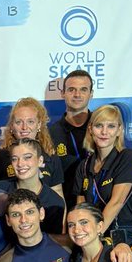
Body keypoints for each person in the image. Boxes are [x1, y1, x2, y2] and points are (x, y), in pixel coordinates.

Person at [72, 104, 132, 242]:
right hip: (90, 234)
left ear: (119, 130)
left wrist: (94, 238)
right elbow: (81, 209)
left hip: (121, 233)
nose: (104, 132)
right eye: (99, 126)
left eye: (111, 126)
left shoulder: (128, 157)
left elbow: (117, 202)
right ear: (90, 129)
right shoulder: (83, 166)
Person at [0, 97, 64, 199]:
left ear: (39, 124)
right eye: (19, 122)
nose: (24, 127)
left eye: (30, 121)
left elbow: (58, 198)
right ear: (12, 126)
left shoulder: (50, 157)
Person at [0, 139, 66, 236]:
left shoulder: (54, 202)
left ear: (40, 161)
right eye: (15, 159)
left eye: (27, 157)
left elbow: (53, 241)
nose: (20, 164)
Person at [49, 70, 94, 208]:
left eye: (83, 90)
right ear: (63, 93)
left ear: (91, 94)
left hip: (98, 205)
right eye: (71, 89)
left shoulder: (103, 128)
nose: (77, 95)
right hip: (63, 207)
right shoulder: (50, 133)